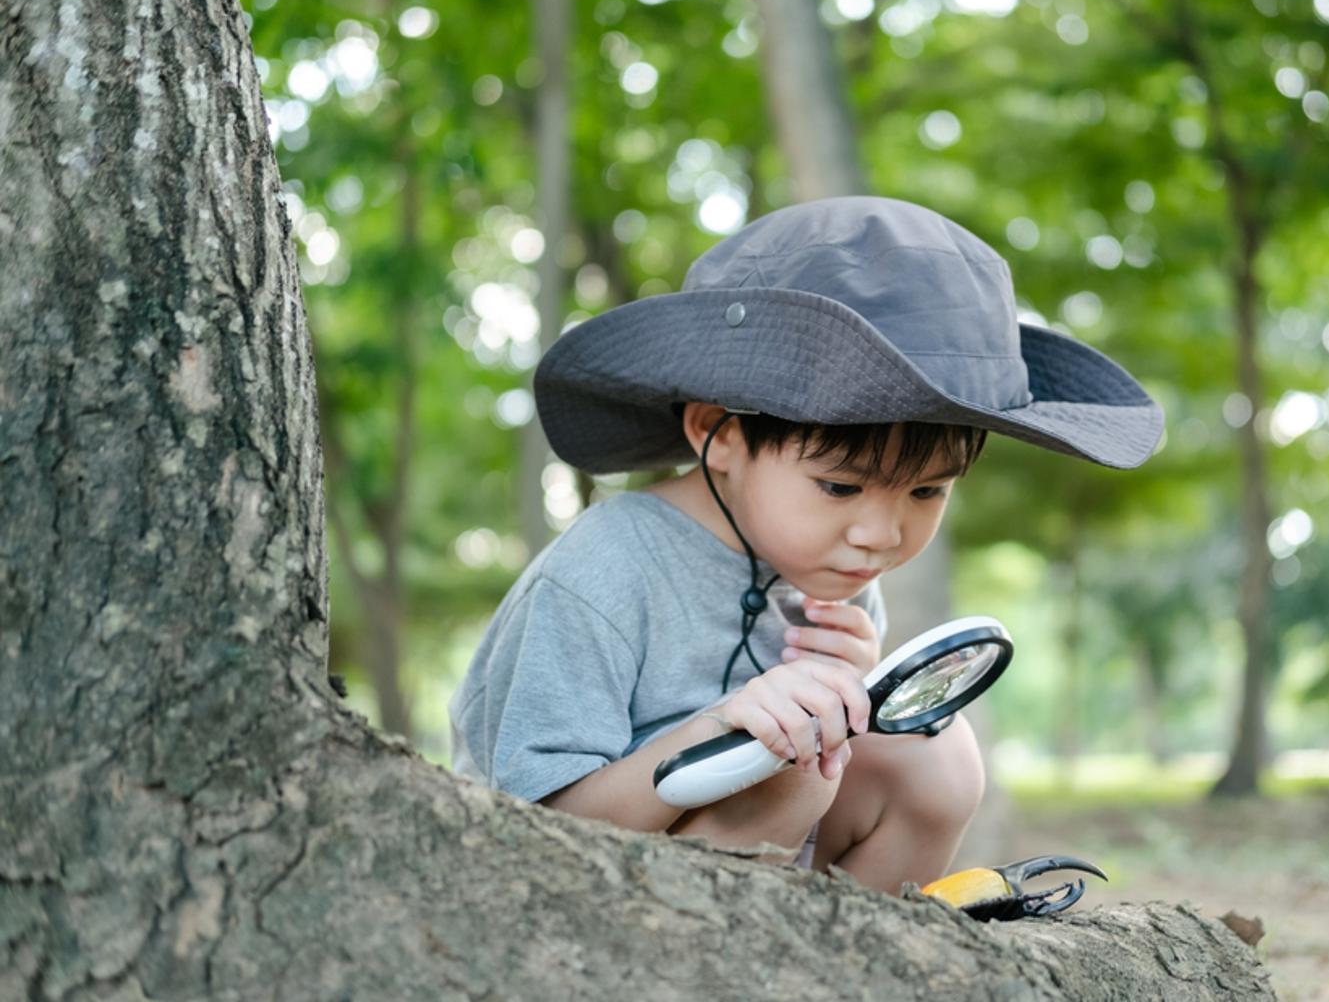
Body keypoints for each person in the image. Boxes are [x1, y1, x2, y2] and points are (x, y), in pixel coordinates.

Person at [447, 195, 1161, 894]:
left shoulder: (833, 572)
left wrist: (854, 704)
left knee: (936, 757)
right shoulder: (602, 572)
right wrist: (726, 726)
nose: (879, 535)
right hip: (584, 889)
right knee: (783, 770)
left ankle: (857, 957)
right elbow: (535, 827)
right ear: (718, 435)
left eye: (926, 492)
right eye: (840, 488)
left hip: (763, 878)